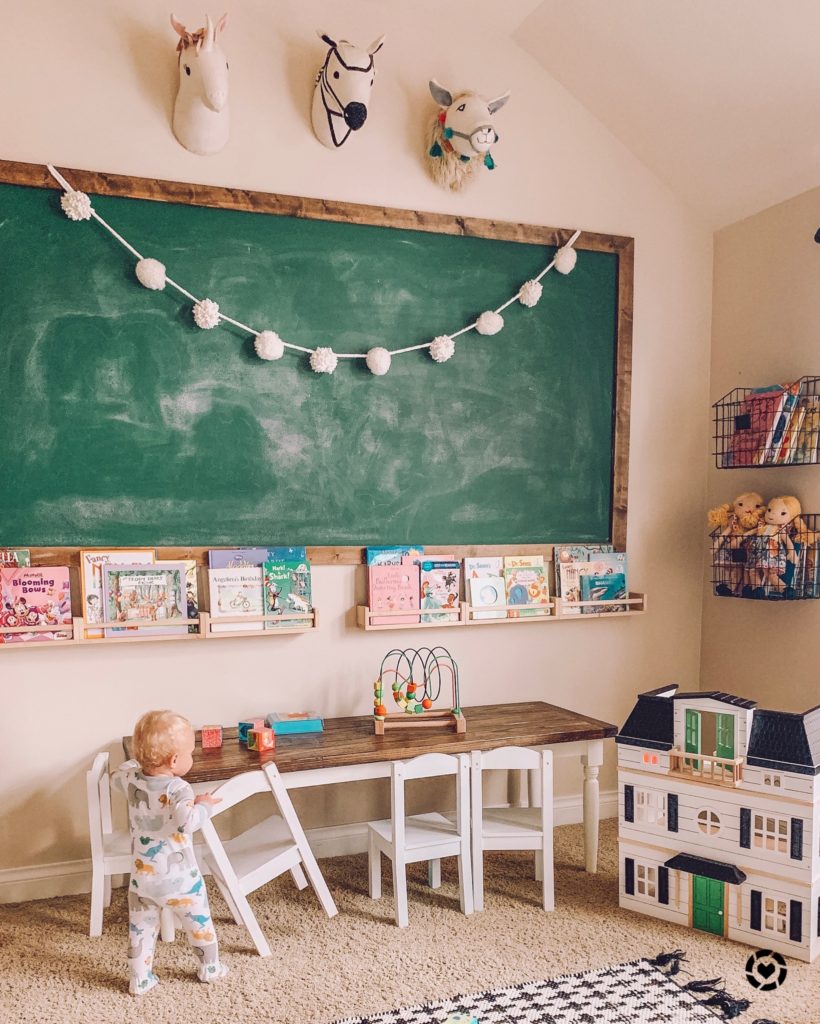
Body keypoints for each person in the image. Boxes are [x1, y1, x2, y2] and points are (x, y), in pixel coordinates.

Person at [114, 710, 227, 995]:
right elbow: (187, 823)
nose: (193, 756)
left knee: (140, 931)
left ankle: (140, 979)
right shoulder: (179, 788)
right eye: (190, 752)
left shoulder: (131, 781)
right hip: (181, 881)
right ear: (175, 761)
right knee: (199, 922)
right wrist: (204, 804)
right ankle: (210, 967)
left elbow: (117, 775)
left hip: (143, 880)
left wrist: (136, 761)